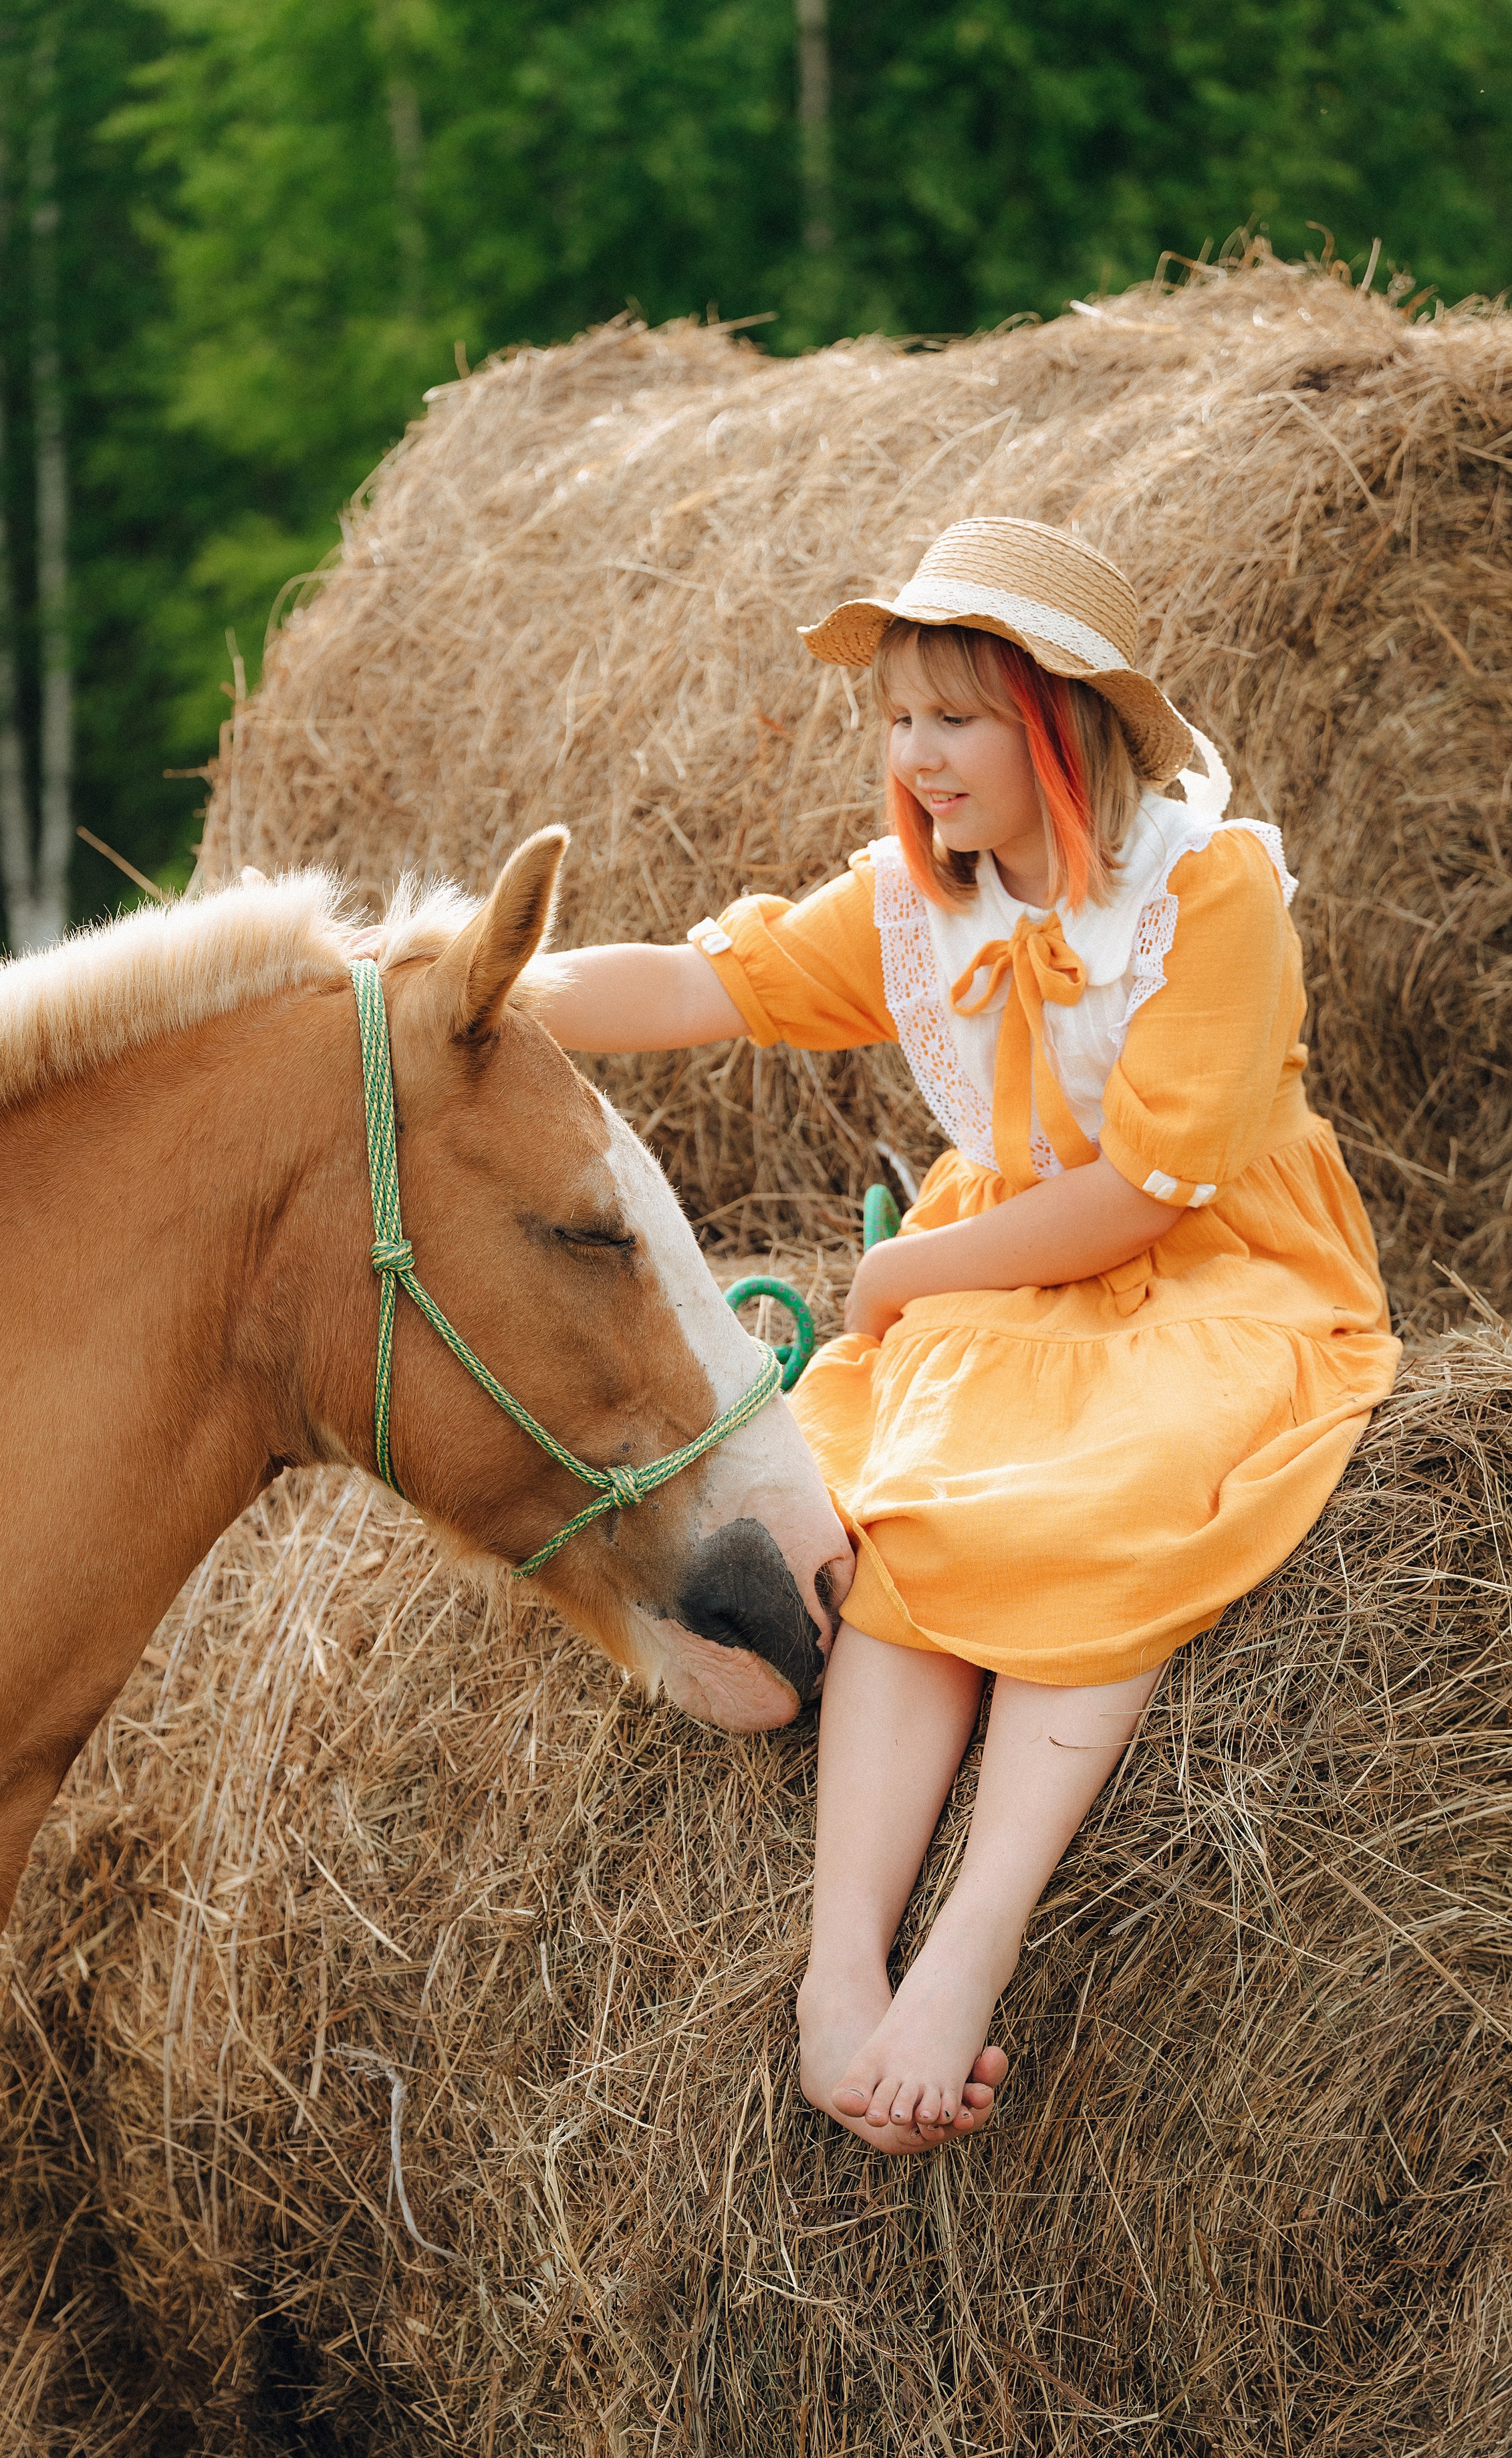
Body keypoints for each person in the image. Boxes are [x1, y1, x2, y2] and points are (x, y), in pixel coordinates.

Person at [533, 516, 1400, 2155]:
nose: (913, 757)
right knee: (902, 1520)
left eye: (952, 717)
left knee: (1120, 1497)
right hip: (1004, 1266)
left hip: (1217, 1265)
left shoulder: (1205, 893)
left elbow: (1144, 1195)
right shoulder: (916, 902)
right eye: (897, 719)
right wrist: (448, 977)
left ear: (1057, 725)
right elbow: (691, 986)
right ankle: (837, 1976)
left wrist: (900, 1284)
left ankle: (969, 1949)